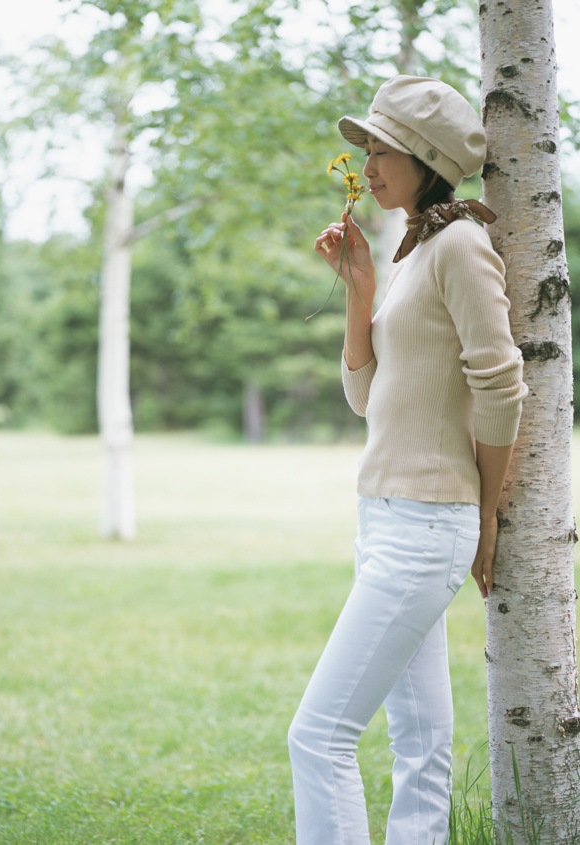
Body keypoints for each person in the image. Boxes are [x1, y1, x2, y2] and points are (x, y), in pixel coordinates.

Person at [287, 75, 528, 845]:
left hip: (428, 524)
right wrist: (361, 283)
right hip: (388, 519)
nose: (366, 163)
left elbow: (501, 384)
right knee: (420, 747)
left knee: (317, 735)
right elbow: (365, 395)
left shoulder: (460, 245)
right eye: (365, 149)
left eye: (381, 148)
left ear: (425, 158)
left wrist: (485, 513)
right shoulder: (412, 252)